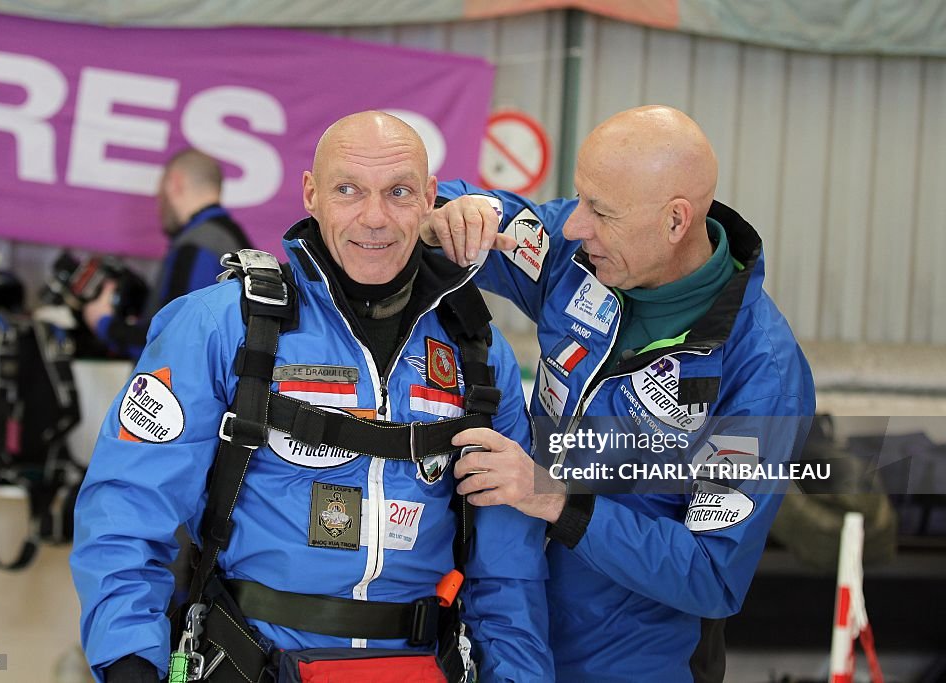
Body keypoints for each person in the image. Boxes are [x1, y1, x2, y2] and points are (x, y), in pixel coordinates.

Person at [71, 111, 553, 683]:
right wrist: (129, 666)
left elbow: (509, 568)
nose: (374, 218)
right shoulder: (223, 326)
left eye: (399, 192)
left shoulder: (477, 352)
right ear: (311, 195)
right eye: (348, 190)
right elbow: (126, 512)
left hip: (421, 665)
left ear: (429, 199)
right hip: (249, 661)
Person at [426, 105, 816, 682]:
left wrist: (553, 500)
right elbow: (490, 216)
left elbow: (711, 572)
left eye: (600, 211)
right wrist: (452, 215)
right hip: (508, 641)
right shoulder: (578, 258)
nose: (574, 225)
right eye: (580, 198)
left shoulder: (760, 372)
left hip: (635, 665)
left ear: (676, 221)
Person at [82, 148, 252, 357]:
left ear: (174, 183)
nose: (159, 204)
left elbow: (173, 341)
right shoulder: (233, 240)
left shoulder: (198, 245)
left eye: (160, 193)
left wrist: (103, 323)